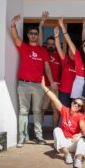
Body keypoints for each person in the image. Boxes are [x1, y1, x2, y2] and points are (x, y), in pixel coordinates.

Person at [11, 14, 58, 147]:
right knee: (23, 111)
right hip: (23, 83)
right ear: (28, 35)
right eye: (31, 33)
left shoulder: (43, 51)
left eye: (35, 33)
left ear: (38, 36)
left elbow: (47, 67)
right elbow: (15, 38)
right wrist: (13, 24)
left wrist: (52, 81)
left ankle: (39, 136)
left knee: (37, 111)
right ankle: (22, 137)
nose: (33, 35)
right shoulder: (24, 47)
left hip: (38, 85)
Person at [41, 77, 85, 168]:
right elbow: (54, 99)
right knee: (57, 129)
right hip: (63, 144)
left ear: (80, 108)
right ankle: (67, 155)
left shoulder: (80, 115)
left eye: (79, 105)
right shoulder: (64, 110)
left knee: (82, 141)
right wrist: (44, 87)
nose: (76, 105)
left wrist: (81, 134)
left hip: (73, 142)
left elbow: (83, 126)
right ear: (72, 103)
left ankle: (78, 159)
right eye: (75, 103)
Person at [59, 18, 85, 101]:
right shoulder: (78, 56)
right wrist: (62, 26)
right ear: (82, 48)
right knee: (77, 105)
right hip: (79, 82)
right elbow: (69, 41)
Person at [41, 35, 62, 127]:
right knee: (42, 108)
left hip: (56, 87)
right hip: (44, 86)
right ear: (46, 45)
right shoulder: (43, 54)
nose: (50, 46)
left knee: (55, 109)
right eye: (49, 44)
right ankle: (39, 131)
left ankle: (55, 130)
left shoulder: (59, 56)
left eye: (53, 44)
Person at [53, 24, 76, 107]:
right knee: (64, 111)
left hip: (75, 92)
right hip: (64, 91)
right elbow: (59, 47)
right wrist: (56, 36)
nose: (71, 53)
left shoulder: (79, 61)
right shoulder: (65, 59)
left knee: (75, 112)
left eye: (72, 51)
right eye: (69, 51)